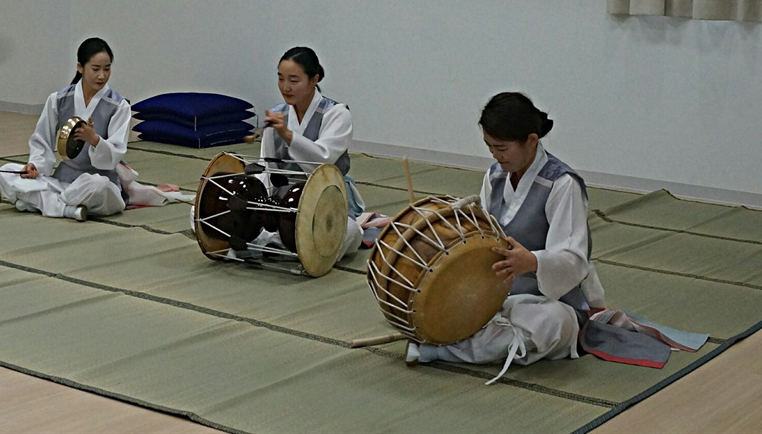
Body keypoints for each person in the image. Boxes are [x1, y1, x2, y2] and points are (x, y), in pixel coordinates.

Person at [405, 92, 604, 379]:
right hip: (496, 295)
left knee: (553, 324)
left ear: (532, 141)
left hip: (550, 302)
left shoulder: (561, 184)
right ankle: (454, 338)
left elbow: (574, 259)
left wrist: (533, 262)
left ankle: (443, 350)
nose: (495, 157)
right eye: (489, 147)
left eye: (502, 148)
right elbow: (482, 235)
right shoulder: (495, 176)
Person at [0, 37, 131, 221]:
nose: (102, 76)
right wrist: (36, 166)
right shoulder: (58, 99)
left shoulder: (118, 105)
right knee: (6, 171)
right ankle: (67, 209)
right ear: (80, 67)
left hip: (96, 182)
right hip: (63, 180)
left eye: (107, 69)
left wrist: (95, 140)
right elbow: (42, 140)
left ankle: (41, 203)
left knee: (99, 186)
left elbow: (116, 153)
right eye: (95, 69)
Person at [258, 46, 364, 259]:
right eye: (281, 79)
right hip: (283, 201)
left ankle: (286, 244)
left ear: (314, 79)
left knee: (349, 233)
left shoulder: (336, 114)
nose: (285, 87)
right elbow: (268, 168)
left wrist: (288, 135)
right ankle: (282, 242)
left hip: (326, 198)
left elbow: (323, 162)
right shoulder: (278, 113)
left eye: (294, 80)